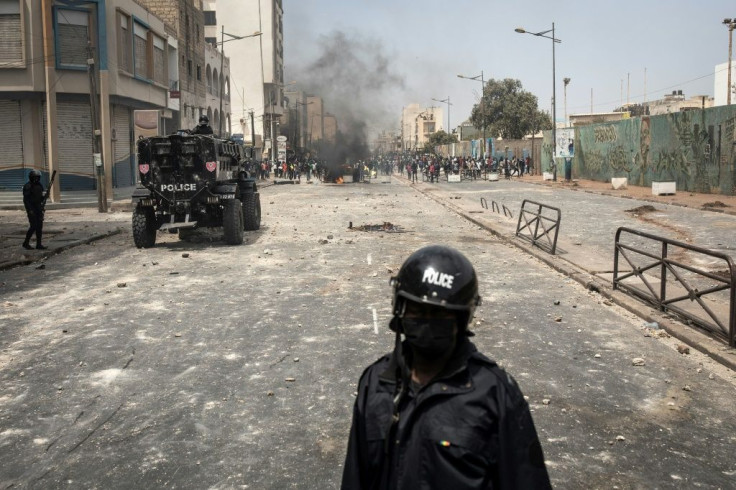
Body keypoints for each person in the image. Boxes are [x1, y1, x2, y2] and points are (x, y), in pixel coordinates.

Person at [342, 245, 551, 489]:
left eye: (440, 313)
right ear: (400, 310)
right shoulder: (376, 382)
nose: (428, 322)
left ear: (461, 320)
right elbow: (356, 476)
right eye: (418, 310)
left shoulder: (495, 394)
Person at [22, 170, 47, 250]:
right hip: (32, 209)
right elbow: (26, 200)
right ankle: (26, 243)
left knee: (39, 227)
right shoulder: (28, 186)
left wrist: (45, 197)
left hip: (39, 208)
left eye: (38, 177)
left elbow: (40, 198)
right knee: (33, 226)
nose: (37, 179)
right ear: (31, 177)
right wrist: (30, 210)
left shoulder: (39, 185)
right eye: (35, 177)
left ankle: (39, 244)